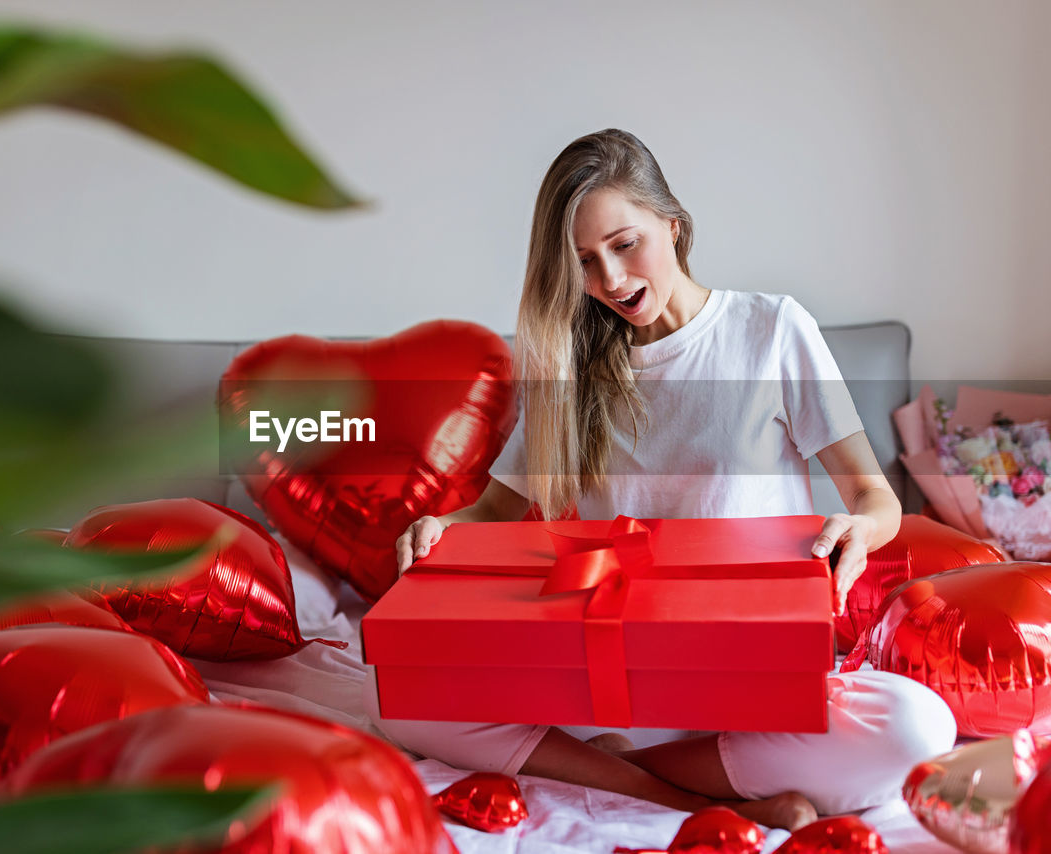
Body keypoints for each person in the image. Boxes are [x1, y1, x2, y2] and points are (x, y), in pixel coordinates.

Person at [369, 129, 955, 830]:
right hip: (600, 679)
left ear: (671, 225)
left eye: (624, 244)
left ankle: (629, 773)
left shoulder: (770, 330)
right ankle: (688, 795)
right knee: (392, 697)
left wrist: (860, 527)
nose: (609, 280)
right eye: (584, 262)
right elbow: (496, 506)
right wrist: (443, 525)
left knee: (918, 727)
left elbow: (874, 496)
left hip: (742, 685)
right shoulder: (568, 366)